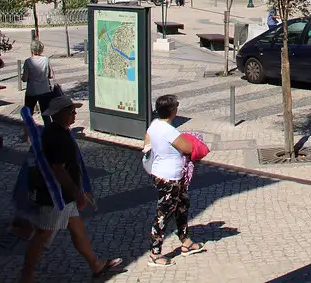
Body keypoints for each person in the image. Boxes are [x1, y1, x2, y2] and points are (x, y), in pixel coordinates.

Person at [18, 95, 122, 282]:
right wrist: (77, 194)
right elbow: (58, 169)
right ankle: (26, 276)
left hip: (65, 196)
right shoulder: (58, 137)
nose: (75, 113)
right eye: (71, 110)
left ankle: (95, 264)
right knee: (42, 235)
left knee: (77, 230)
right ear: (60, 113)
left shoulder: (56, 131)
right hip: (57, 198)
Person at [142, 94, 203, 266]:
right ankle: (155, 254)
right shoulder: (169, 131)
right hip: (170, 178)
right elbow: (188, 147)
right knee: (163, 213)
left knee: (182, 205)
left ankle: (186, 242)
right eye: (176, 106)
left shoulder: (154, 125)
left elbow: (146, 144)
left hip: (160, 174)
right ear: (172, 111)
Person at [22, 40, 55, 143]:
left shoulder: (28, 61)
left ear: (32, 49)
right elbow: (51, 75)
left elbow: (25, 78)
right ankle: (49, 136)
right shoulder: (46, 60)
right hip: (44, 90)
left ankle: (26, 136)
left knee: (28, 115)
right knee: (46, 114)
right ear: (41, 49)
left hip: (31, 91)